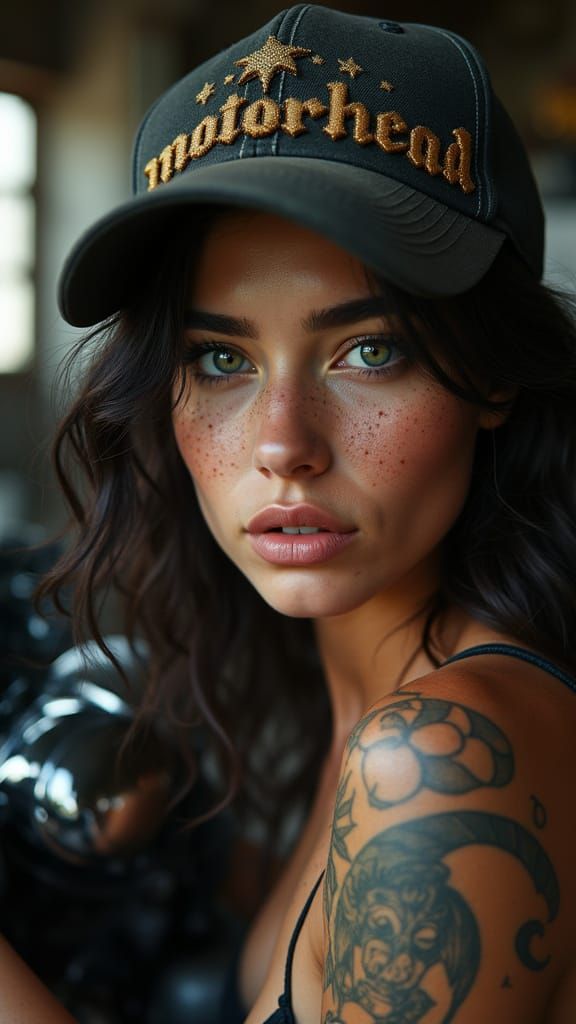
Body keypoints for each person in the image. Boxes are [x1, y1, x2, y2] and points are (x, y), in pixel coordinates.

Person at [3, 4, 576, 1022]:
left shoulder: (445, 758)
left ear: (492, 375)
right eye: (221, 359)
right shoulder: (325, 706)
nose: (282, 444)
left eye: (370, 349)